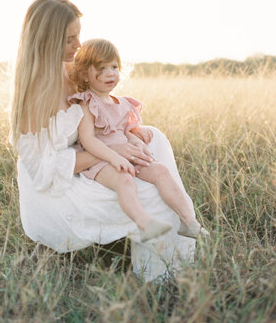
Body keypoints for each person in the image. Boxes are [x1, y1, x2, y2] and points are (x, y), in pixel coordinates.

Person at [11, 0, 199, 281]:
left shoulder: (73, 68)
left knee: (155, 140)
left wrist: (129, 134)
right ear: (46, 41)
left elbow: (104, 106)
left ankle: (184, 231)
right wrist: (111, 153)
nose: (79, 45)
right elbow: (46, 170)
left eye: (78, 35)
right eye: (69, 39)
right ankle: (162, 274)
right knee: (148, 193)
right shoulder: (34, 97)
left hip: (93, 155)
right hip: (61, 182)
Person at [68, 38, 209, 242]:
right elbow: (88, 140)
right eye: (102, 68)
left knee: (161, 170)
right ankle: (144, 223)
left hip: (125, 154)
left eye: (114, 67)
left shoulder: (122, 103)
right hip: (100, 159)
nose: (111, 73)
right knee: (125, 179)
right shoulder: (87, 102)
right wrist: (115, 158)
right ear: (84, 74)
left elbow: (122, 131)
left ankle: (189, 222)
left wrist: (135, 140)